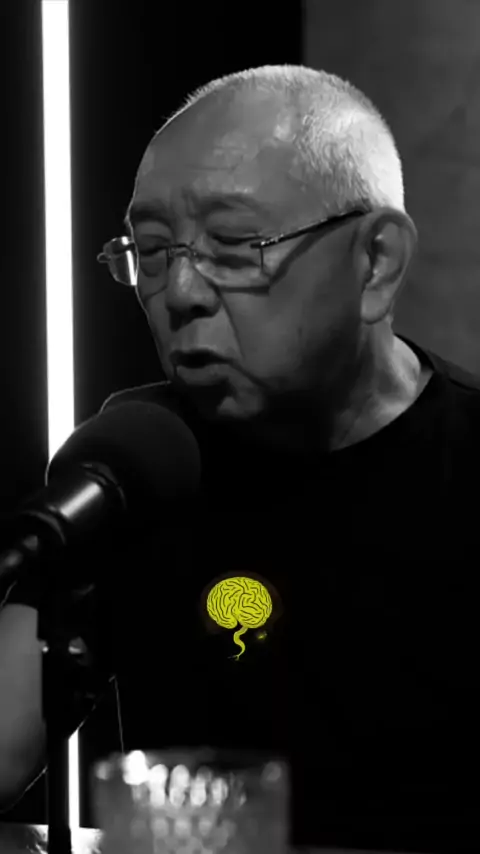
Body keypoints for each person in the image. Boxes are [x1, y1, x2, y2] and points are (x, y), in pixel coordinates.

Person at [0, 64, 478, 852]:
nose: (181, 292)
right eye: (154, 252)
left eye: (233, 246)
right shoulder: (134, 465)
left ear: (376, 262)